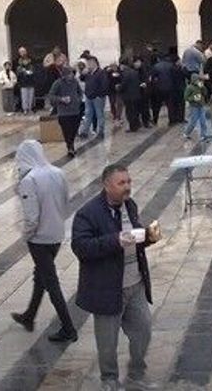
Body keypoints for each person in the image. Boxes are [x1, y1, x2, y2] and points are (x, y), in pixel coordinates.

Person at [71, 164, 162, 390]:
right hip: (108, 288)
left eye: (129, 182)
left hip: (135, 283)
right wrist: (115, 240)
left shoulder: (129, 205)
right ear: (106, 185)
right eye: (121, 183)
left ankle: (136, 372)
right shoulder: (88, 213)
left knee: (143, 329)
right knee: (107, 343)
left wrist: (149, 238)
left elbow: (135, 237)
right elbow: (81, 247)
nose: (127, 187)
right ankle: (109, 380)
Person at [10, 140, 78, 343]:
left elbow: (31, 217)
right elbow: (66, 200)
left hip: (40, 239)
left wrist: (26, 236)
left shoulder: (29, 180)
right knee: (40, 275)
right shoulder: (58, 172)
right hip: (56, 234)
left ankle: (68, 328)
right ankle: (29, 316)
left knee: (50, 281)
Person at [48, 67, 84, 158]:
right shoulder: (58, 83)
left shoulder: (75, 82)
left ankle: (71, 143)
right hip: (64, 112)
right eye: (69, 74)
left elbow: (80, 92)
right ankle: (70, 147)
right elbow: (51, 96)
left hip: (75, 111)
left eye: (71, 74)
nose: (71, 76)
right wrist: (61, 99)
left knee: (74, 129)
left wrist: (78, 100)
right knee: (67, 130)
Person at [80, 57, 109, 139]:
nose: (88, 65)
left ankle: (101, 131)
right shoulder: (88, 73)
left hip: (97, 97)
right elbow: (81, 79)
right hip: (89, 96)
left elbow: (104, 85)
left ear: (94, 63)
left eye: (89, 63)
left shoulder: (101, 72)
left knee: (99, 114)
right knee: (88, 114)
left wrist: (100, 95)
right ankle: (85, 131)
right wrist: (83, 73)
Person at [182, 73, 211, 141]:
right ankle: (187, 132)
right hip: (194, 106)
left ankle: (203, 135)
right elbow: (186, 97)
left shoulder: (200, 86)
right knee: (193, 121)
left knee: (203, 121)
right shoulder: (189, 87)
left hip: (201, 105)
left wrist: (203, 87)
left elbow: (205, 93)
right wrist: (193, 98)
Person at [16, 48, 37, 115]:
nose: (25, 62)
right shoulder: (19, 66)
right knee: (24, 97)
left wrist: (29, 72)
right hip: (23, 83)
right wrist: (23, 72)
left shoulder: (31, 65)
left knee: (31, 97)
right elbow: (18, 74)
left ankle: (30, 108)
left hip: (31, 83)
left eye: (26, 61)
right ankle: (25, 109)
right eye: (21, 52)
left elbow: (33, 72)